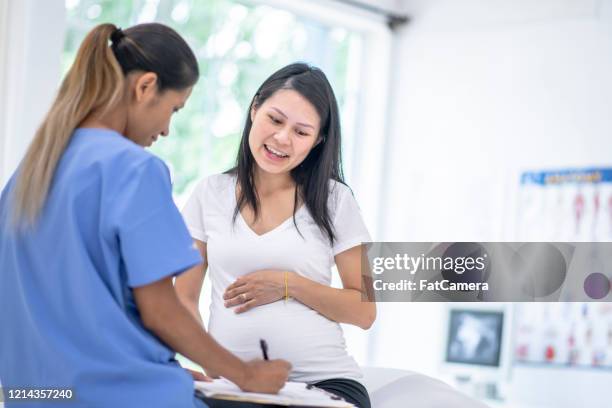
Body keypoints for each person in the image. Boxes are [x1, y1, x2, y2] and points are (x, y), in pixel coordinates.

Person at [0, 23, 289, 408]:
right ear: (145, 87)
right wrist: (247, 374)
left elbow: (66, 309)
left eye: (303, 132)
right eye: (173, 109)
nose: (168, 130)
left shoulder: (31, 172)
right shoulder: (135, 169)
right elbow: (161, 312)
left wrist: (147, 363)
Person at [177, 63, 376, 408]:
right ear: (255, 109)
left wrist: (289, 284)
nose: (283, 138)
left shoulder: (335, 200)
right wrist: (213, 363)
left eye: (301, 132)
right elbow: (183, 300)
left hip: (323, 384)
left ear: (318, 141)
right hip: (232, 386)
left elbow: (365, 311)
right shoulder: (210, 193)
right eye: (275, 119)